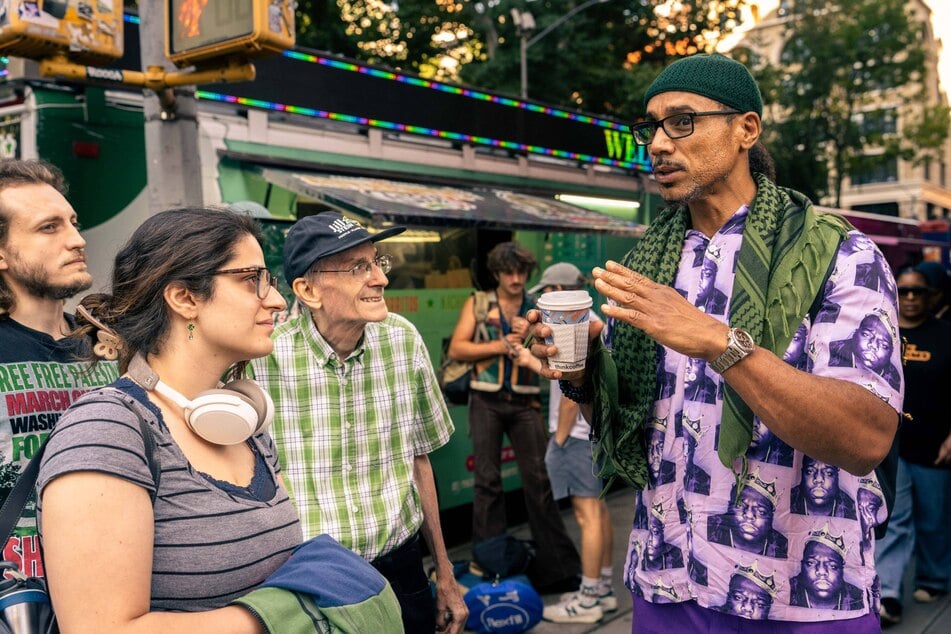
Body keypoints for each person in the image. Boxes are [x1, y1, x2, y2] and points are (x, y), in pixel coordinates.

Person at [527, 53, 901, 631]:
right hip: (666, 577)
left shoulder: (841, 256)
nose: (657, 143)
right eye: (649, 126)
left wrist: (718, 342)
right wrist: (581, 368)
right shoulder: (648, 264)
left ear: (746, 129)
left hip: (801, 591)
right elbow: (638, 420)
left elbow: (865, 437)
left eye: (682, 121)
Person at [36, 208, 307, 630]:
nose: (275, 300)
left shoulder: (243, 424)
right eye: (252, 280)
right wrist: (282, 616)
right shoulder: (108, 430)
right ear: (184, 297)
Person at [251, 212, 466, 633]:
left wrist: (445, 571)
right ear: (307, 290)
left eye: (377, 262)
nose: (380, 279)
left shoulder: (403, 341)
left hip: (401, 568)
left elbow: (419, 460)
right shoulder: (262, 358)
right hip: (308, 578)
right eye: (357, 268)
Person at [0, 158, 118, 577]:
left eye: (73, 222)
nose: (77, 239)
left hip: (117, 575)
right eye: (49, 227)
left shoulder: (108, 345)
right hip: (20, 595)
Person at [447, 242, 581, 593]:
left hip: (525, 403)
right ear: (497, 273)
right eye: (509, 271)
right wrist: (504, 344)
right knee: (487, 483)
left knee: (539, 482)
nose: (517, 278)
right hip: (486, 400)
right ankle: (491, 567)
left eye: (522, 271)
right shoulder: (479, 303)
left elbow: (554, 358)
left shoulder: (535, 308)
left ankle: (558, 570)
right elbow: (457, 348)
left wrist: (532, 338)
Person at [518, 263, 615, 623]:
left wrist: (556, 442)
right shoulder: (589, 321)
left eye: (547, 291)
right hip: (592, 436)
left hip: (576, 438)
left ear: (559, 290)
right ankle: (602, 590)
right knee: (599, 513)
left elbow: (573, 396)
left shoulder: (575, 326)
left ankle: (587, 599)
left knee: (585, 515)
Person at [876, 267, 951, 626]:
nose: (909, 299)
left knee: (934, 518)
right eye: (903, 292)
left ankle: (933, 578)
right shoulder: (881, 329)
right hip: (891, 444)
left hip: (935, 445)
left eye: (917, 292)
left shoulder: (946, 335)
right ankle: (888, 593)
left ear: (930, 296)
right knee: (896, 519)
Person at [789, 527, 864, 611]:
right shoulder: (787, 589)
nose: (821, 571)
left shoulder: (858, 597)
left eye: (833, 566)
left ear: (842, 570)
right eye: (811, 563)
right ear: (802, 565)